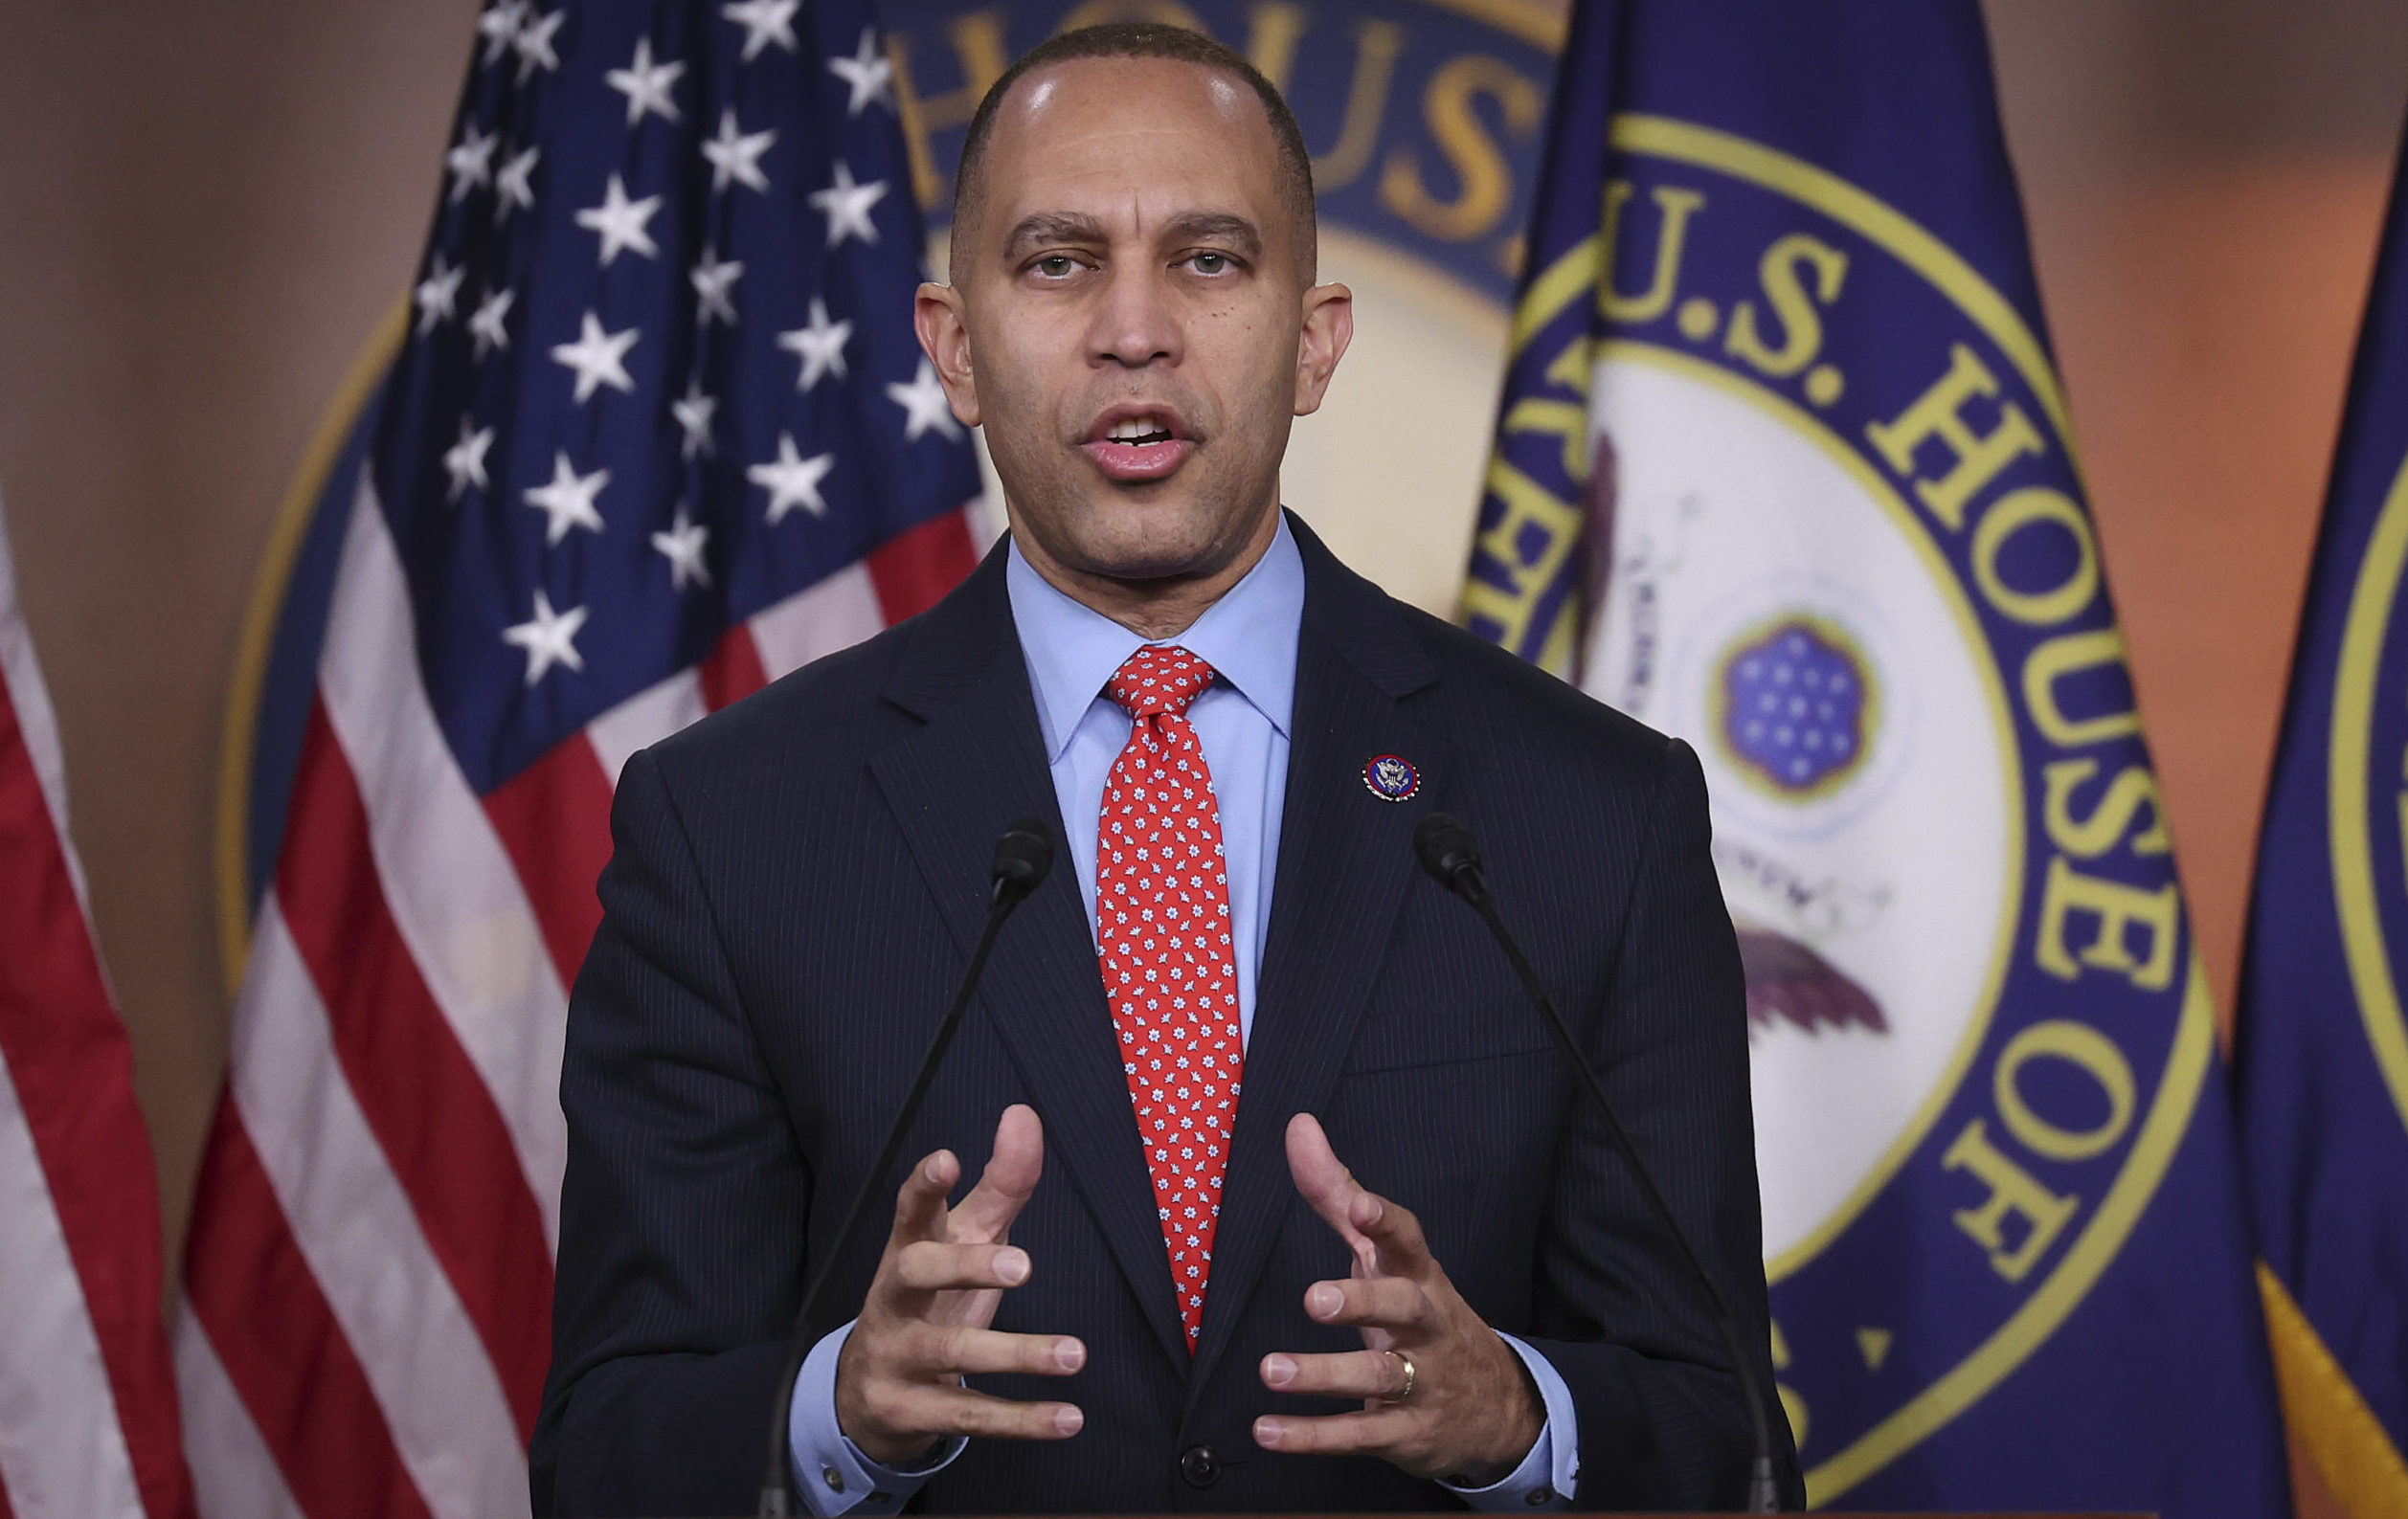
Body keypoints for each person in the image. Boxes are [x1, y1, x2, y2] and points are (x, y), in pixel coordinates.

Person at [531, 23, 1799, 1515]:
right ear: (954, 346)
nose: (1135, 330)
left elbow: (1730, 1441)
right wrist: (835, 1413)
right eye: (1059, 261)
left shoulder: (1591, 815)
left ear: (1315, 340)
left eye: (1209, 260)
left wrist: (1521, 1419)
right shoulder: (730, 827)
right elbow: (608, 1451)